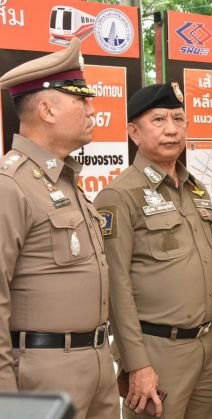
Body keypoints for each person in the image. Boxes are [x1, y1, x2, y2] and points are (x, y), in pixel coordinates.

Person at [94, 82, 212, 419]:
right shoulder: (119, 196)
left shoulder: (196, 190)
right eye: (158, 120)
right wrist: (137, 364)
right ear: (134, 132)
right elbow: (116, 289)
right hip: (158, 351)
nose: (172, 129)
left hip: (207, 345)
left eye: (178, 118)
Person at [0, 38, 119, 418]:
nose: (92, 109)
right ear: (47, 110)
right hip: (43, 373)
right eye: (81, 100)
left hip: (97, 363)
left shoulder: (65, 181)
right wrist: (7, 400)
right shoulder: (10, 185)